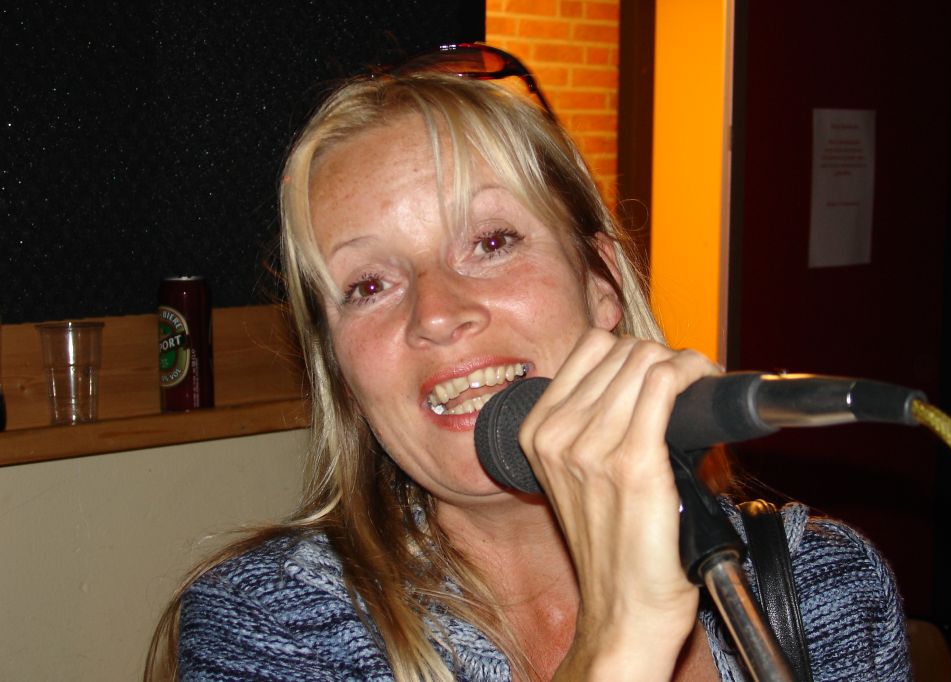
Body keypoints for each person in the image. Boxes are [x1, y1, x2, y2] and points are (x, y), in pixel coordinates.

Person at [147, 55, 910, 682]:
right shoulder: (268, 627)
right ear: (341, 369)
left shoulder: (826, 589)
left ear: (601, 284)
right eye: (369, 285)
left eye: (491, 242)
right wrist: (620, 637)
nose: (437, 313)